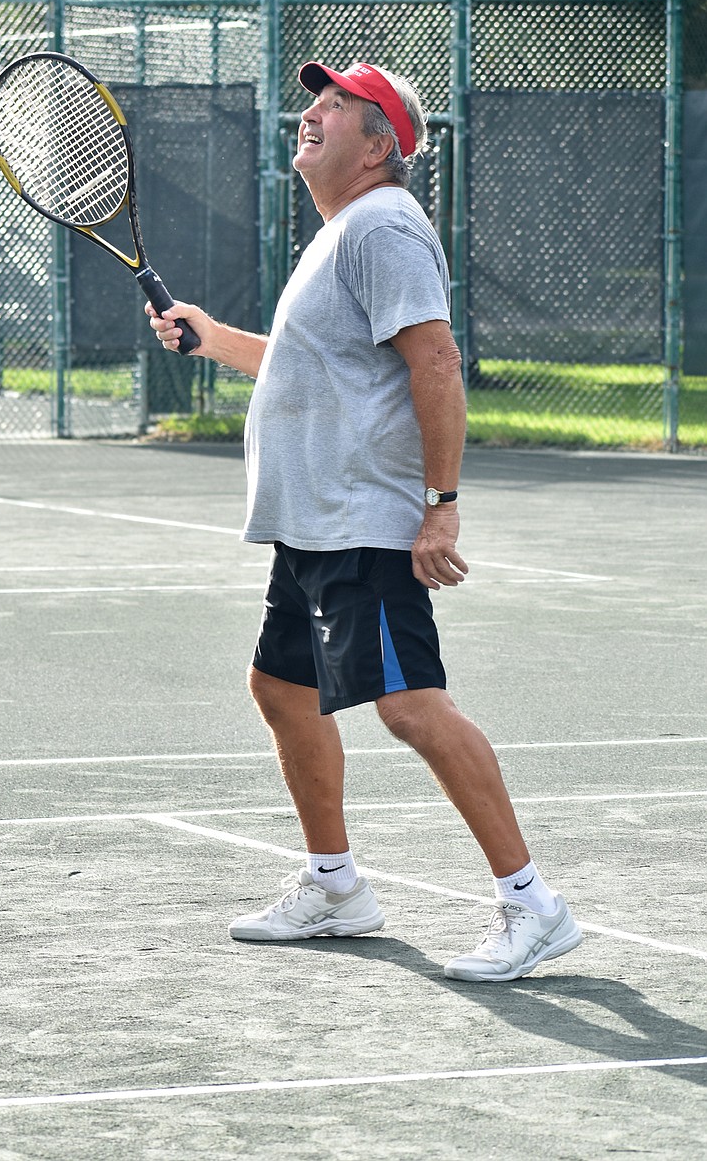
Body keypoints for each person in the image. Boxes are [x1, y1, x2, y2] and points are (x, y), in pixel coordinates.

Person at [147, 59, 582, 981]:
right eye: (315, 100)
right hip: (312, 526)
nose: (311, 113)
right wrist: (213, 336)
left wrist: (440, 508)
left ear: (379, 145)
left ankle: (533, 904)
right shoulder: (343, 233)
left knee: (411, 705)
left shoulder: (383, 226)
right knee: (280, 688)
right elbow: (309, 365)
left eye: (336, 105)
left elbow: (436, 361)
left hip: (361, 523)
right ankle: (337, 886)